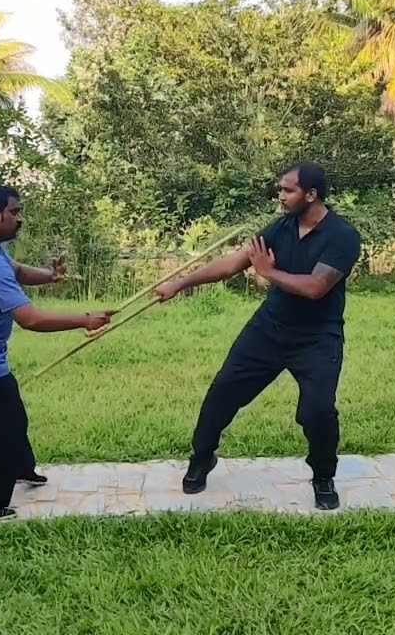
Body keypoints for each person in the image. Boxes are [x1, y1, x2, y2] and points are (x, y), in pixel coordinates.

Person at [153, 162, 361, 510]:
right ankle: (202, 457)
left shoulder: (342, 235)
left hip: (317, 338)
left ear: (311, 195)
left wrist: (269, 272)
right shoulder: (281, 227)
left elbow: (316, 288)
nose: (280, 196)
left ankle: (323, 477)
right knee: (223, 391)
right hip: (269, 328)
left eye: (288, 190)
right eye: (280, 189)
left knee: (318, 411)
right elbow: (234, 263)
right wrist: (179, 283)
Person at [0, 184, 115, 520]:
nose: (20, 219)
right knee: (4, 426)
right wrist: (84, 320)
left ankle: (19, 468)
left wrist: (49, 276)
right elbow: (30, 319)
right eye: (15, 212)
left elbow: (15, 271)